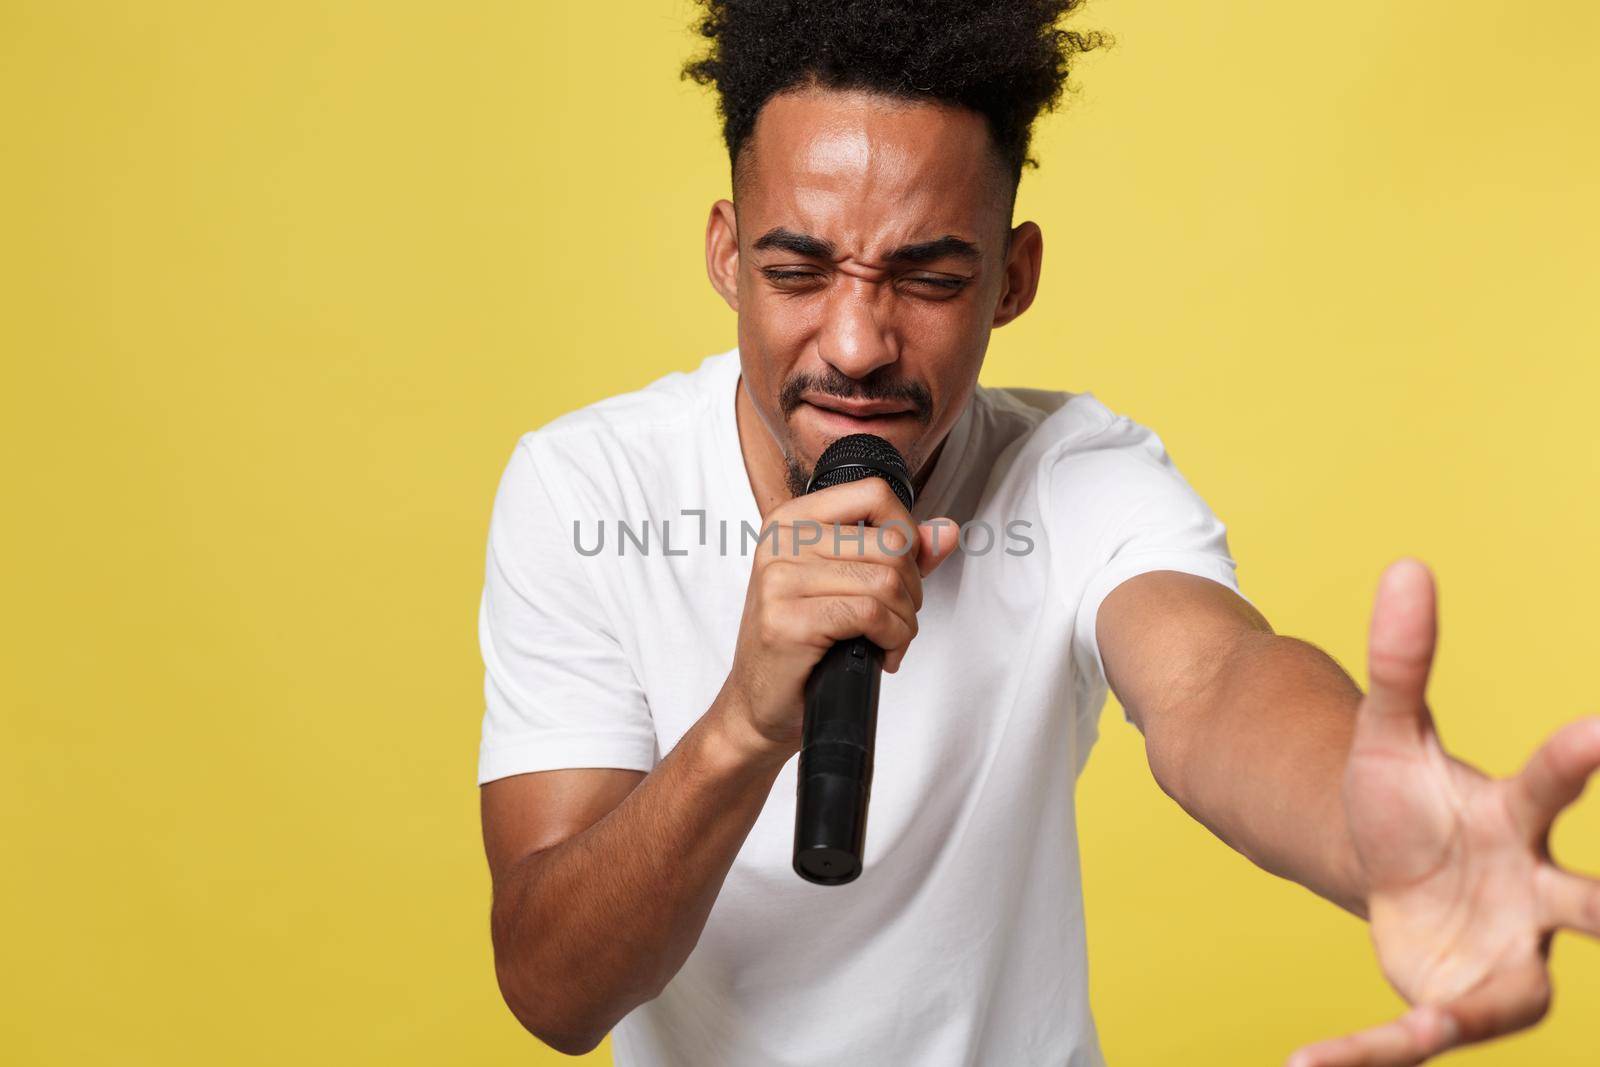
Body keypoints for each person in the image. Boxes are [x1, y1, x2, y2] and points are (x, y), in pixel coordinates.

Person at [475, 3, 1600, 1064]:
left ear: (1010, 278)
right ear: (726, 255)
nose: (859, 341)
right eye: (798, 270)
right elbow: (551, 986)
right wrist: (742, 722)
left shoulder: (1074, 470)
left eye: (927, 276)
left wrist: (1382, 840)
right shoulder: (586, 487)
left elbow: (1214, 679)